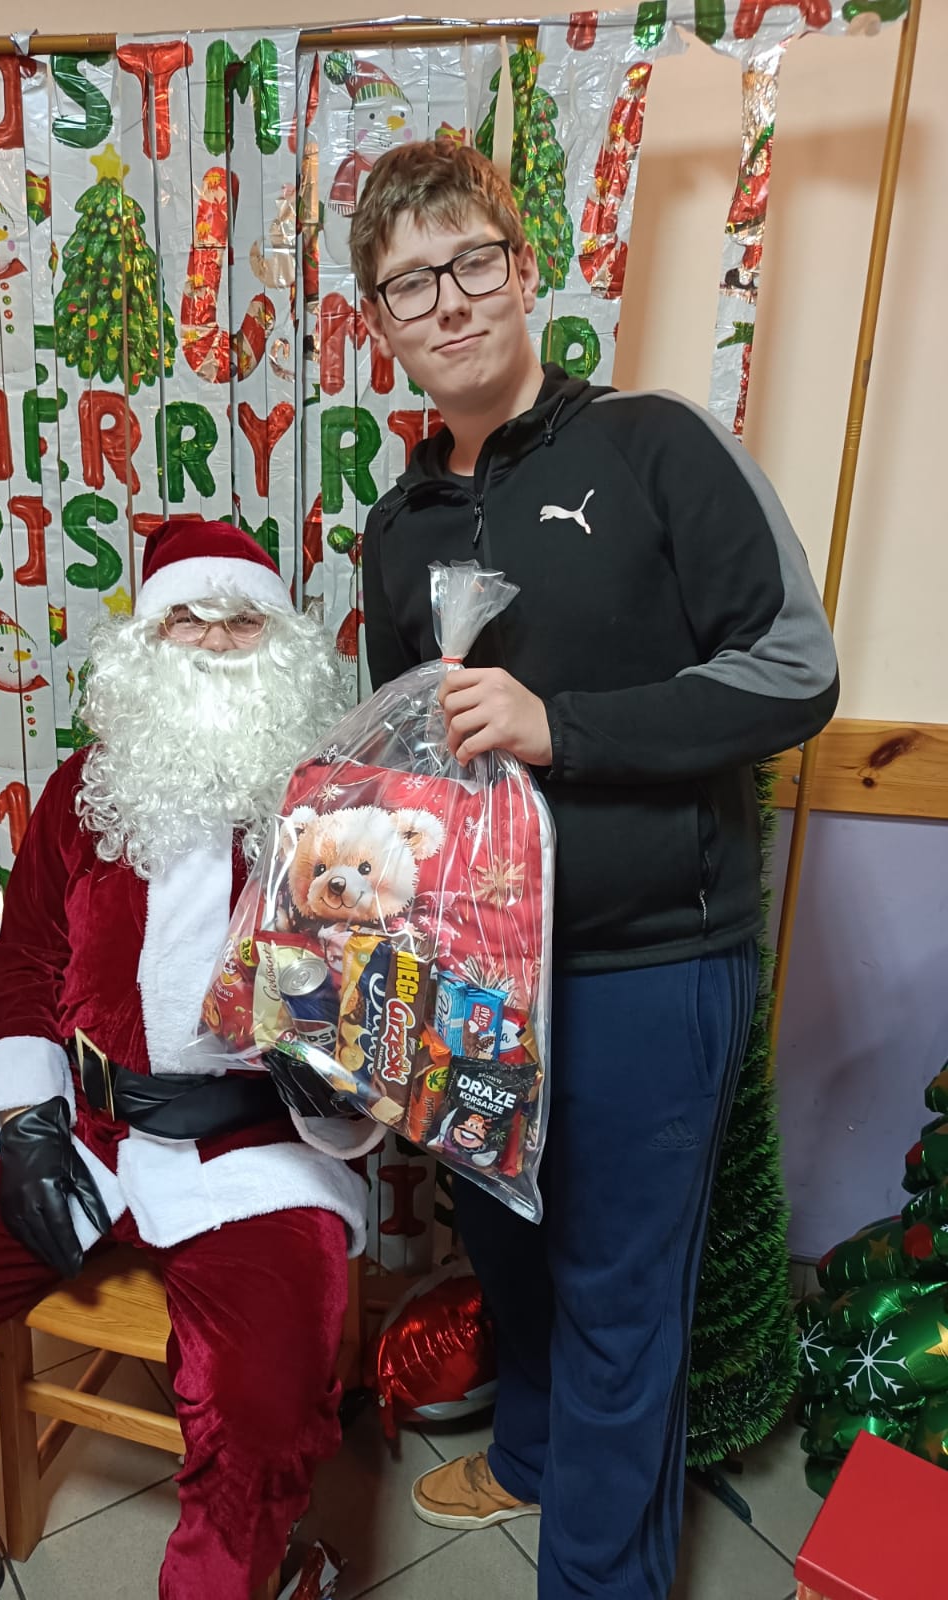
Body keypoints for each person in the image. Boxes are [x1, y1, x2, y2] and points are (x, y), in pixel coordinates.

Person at [351, 141, 838, 1600]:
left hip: (648, 964)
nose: (449, 302)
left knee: (624, 1298)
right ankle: (535, 1459)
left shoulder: (653, 446)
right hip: (474, 980)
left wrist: (564, 728)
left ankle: (595, 1580)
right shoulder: (396, 529)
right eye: (410, 283)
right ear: (380, 322)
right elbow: (407, 779)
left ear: (523, 267)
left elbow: (795, 672)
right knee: (511, 1258)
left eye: (471, 262)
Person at [0, 518, 383, 1600]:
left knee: (262, 1413)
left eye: (240, 623)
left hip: (259, 1154)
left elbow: (380, 1008)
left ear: (281, 647)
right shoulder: (85, 791)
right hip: (78, 1126)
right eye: (188, 618)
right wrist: (25, 1118)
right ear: (147, 641)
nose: (212, 641)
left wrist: (335, 1073)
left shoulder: (339, 815)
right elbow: (25, 961)